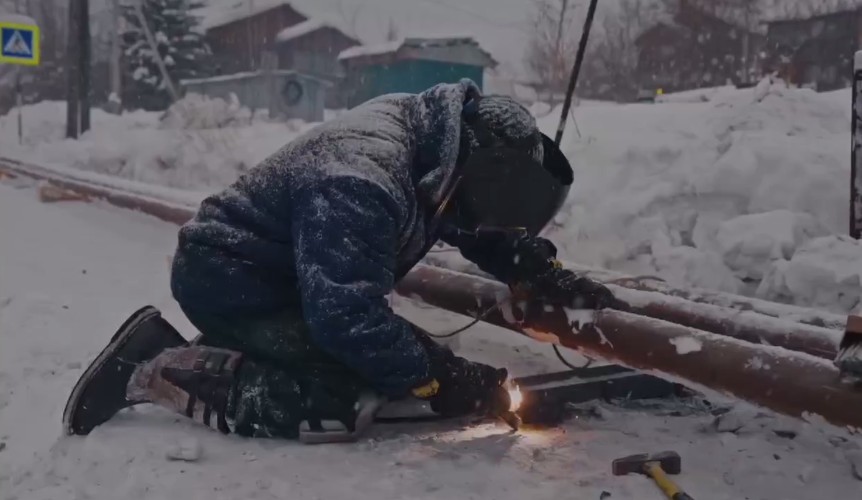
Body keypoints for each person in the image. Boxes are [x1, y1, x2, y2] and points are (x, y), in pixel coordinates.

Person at [63, 79, 626, 442]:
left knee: (390, 364)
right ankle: (153, 366)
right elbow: (345, 318)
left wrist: (535, 270)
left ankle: (240, 351)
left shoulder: (436, 142)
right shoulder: (361, 181)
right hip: (231, 280)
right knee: (344, 398)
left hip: (281, 273)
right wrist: (440, 374)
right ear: (480, 168)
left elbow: (467, 217)